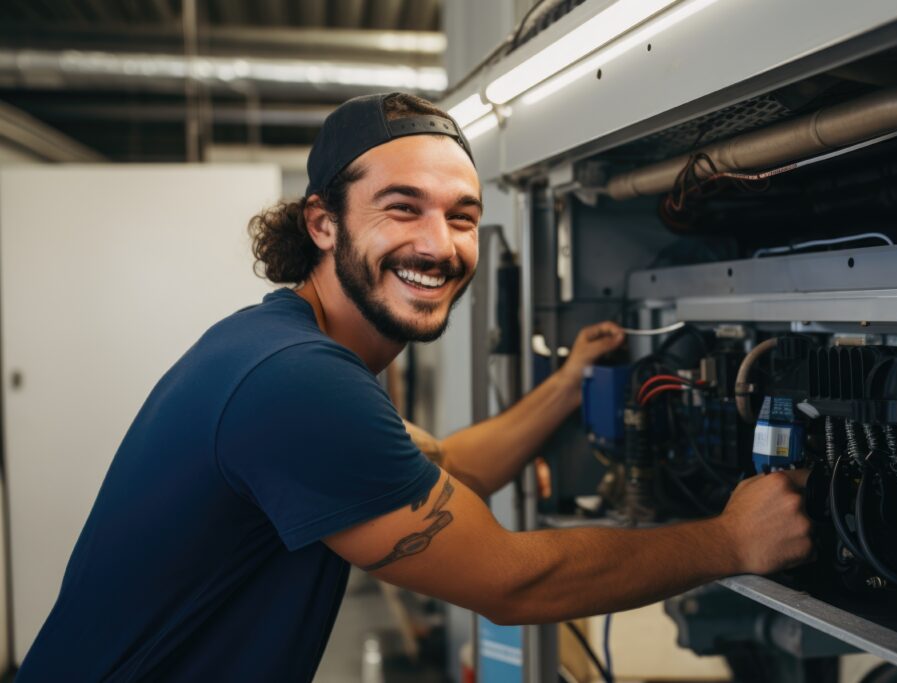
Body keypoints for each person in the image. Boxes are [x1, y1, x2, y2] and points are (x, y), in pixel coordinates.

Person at [16, 93, 812, 682]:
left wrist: (570, 384)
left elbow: (450, 470)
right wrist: (732, 540)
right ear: (321, 223)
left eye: (462, 217)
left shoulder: (283, 343)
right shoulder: (296, 385)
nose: (439, 245)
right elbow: (510, 578)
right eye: (403, 209)